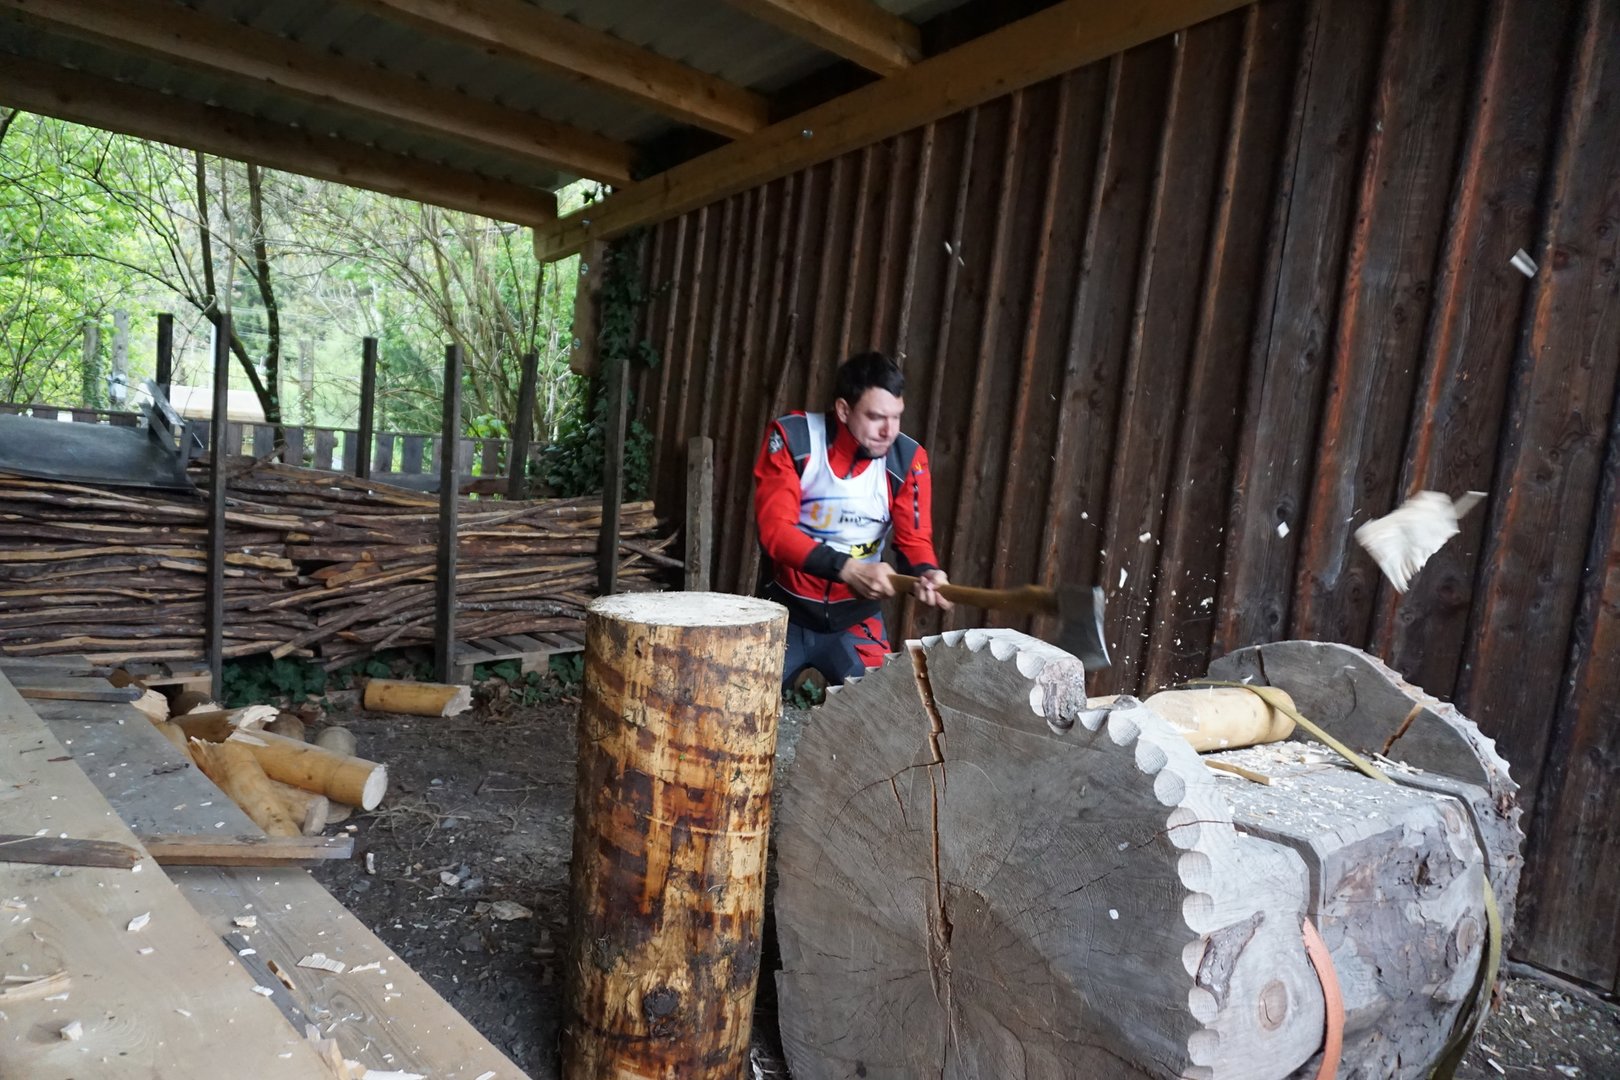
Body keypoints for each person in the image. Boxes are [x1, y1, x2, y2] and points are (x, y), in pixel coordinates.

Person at [753, 351, 951, 688]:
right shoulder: (793, 438)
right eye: (876, 417)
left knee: (882, 714)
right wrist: (849, 569)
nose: (889, 431)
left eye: (896, 417)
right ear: (844, 410)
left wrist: (926, 572)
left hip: (857, 619)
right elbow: (774, 532)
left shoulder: (909, 459)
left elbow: (914, 539)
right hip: (784, 611)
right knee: (738, 708)